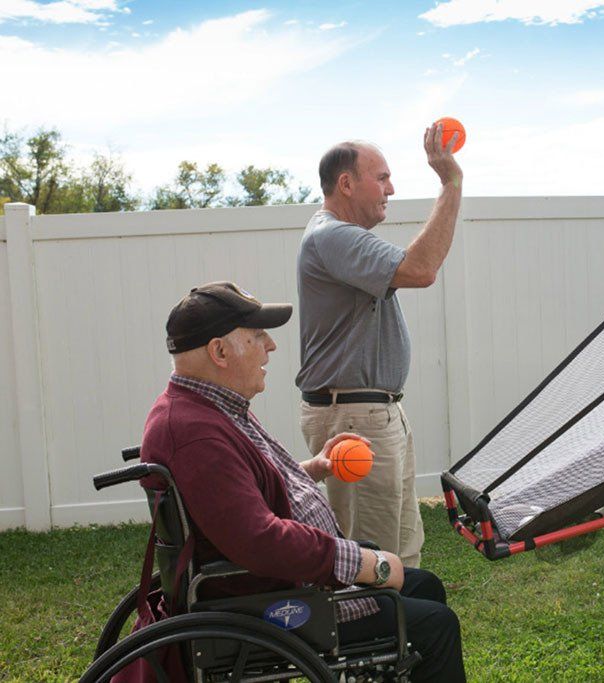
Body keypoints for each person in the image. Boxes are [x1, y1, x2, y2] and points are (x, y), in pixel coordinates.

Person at [143, 281, 465, 682]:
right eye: (258, 336)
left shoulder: (205, 408)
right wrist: (365, 564)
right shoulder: (195, 433)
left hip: (283, 581)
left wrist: (313, 468)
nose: (271, 346)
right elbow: (257, 539)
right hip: (274, 598)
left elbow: (239, 489)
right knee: (435, 626)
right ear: (219, 351)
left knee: (425, 586)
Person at [295, 124, 463, 568]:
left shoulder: (339, 238)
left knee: (403, 551)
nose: (392, 188)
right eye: (382, 177)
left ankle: (402, 634)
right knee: (369, 559)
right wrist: (450, 183)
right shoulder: (331, 236)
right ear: (346, 184)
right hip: (354, 417)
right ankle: (365, 635)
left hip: (373, 410)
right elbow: (422, 268)